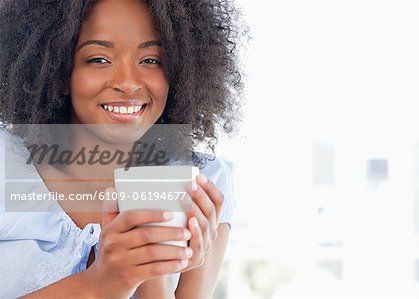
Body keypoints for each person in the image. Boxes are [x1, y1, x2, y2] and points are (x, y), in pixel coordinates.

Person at [0, 0, 244, 298]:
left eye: (151, 60)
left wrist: (156, 268)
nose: (128, 83)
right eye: (99, 59)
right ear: (60, 71)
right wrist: (101, 283)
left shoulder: (202, 181)